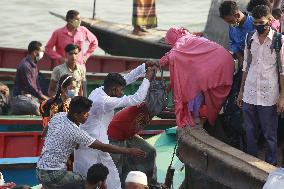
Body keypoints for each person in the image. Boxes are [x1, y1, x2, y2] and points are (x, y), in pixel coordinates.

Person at [73, 62, 156, 189]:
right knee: (87, 180)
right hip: (89, 146)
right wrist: (147, 79)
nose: (122, 92)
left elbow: (125, 80)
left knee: (112, 178)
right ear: (113, 89)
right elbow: (136, 99)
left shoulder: (100, 90)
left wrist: (143, 67)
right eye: (121, 90)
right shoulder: (104, 101)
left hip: (100, 141)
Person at [36, 96, 145, 189]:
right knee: (90, 182)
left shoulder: (58, 116)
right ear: (76, 115)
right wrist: (129, 150)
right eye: (85, 113)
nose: (88, 115)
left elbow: (45, 132)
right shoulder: (75, 132)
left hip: (39, 170)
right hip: (53, 174)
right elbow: (103, 147)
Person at [236, 5, 284, 165]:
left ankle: (271, 164)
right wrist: (241, 91)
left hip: (269, 94)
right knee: (249, 132)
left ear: (269, 21)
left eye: (261, 22)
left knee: (270, 133)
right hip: (250, 92)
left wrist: (282, 97)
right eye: (255, 23)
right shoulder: (249, 38)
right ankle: (251, 162)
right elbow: (245, 67)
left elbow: (282, 71)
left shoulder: (279, 40)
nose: (258, 26)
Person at [160, 27, 234, 127]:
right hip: (226, 60)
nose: (171, 45)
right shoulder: (188, 39)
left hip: (218, 65)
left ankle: (196, 116)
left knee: (193, 88)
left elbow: (174, 54)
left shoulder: (182, 42)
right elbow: (175, 52)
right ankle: (206, 117)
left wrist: (160, 62)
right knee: (199, 87)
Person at [108, 104, 158, 188]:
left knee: (149, 150)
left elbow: (161, 112)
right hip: (113, 138)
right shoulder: (140, 107)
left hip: (128, 136)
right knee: (117, 169)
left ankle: (150, 183)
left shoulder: (152, 111)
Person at [11, 41, 48, 115]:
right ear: (35, 52)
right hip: (20, 98)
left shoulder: (34, 65)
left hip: (31, 97)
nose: (42, 54)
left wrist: (44, 97)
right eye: (41, 51)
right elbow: (31, 87)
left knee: (49, 106)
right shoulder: (25, 66)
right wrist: (44, 97)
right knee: (37, 107)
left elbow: (37, 85)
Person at [219, 1, 255, 65]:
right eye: (228, 22)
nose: (230, 24)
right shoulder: (232, 26)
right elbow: (233, 43)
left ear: (237, 15)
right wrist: (240, 57)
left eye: (231, 21)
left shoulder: (255, 23)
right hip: (243, 62)